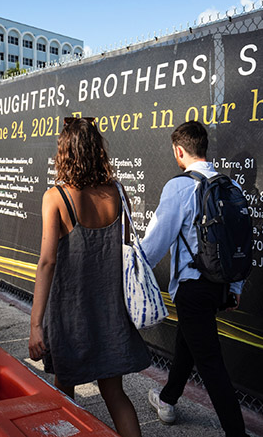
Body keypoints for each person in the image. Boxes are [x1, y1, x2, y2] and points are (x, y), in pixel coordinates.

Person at [28, 117, 150, 437]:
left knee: (63, 396)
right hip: (111, 311)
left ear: (64, 152)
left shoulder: (55, 197)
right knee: (114, 393)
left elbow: (47, 262)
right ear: (98, 150)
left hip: (70, 313)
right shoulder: (117, 192)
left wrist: (35, 325)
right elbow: (121, 249)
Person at [141, 120, 247, 437]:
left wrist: (133, 267)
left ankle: (237, 433)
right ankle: (168, 399)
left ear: (179, 150)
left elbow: (157, 240)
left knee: (211, 366)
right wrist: (236, 287)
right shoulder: (232, 187)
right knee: (188, 344)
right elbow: (239, 242)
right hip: (222, 286)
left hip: (193, 289)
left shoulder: (180, 187)